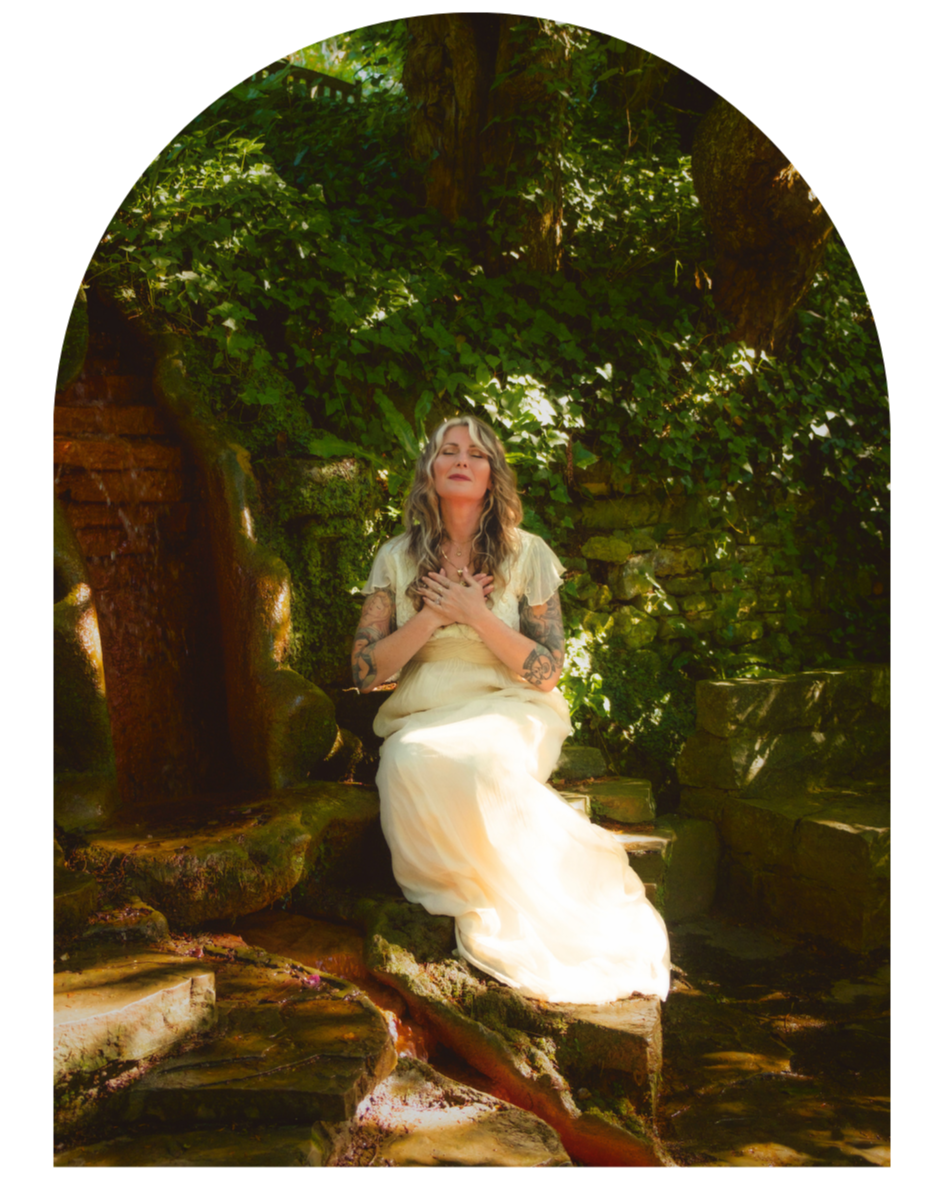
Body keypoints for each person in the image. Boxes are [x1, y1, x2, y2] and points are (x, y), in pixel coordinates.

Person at [351, 414, 671, 1005]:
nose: (462, 460)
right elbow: (366, 671)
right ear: (430, 470)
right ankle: (468, 897)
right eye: (449, 450)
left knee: (484, 765)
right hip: (424, 712)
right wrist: (433, 616)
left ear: (493, 473)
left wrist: (476, 615)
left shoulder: (529, 554)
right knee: (406, 760)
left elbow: (547, 672)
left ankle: (557, 904)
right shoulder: (395, 557)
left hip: (511, 703)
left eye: (476, 453)